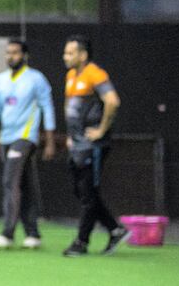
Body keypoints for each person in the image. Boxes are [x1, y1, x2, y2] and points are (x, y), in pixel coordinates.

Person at [0, 38, 56, 250]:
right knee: (24, 184)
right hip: (6, 137)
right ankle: (33, 234)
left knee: (10, 181)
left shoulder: (36, 79)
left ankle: (7, 233)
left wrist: (49, 141)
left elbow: (47, 107)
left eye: (15, 53)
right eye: (8, 53)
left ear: (24, 56)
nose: (10, 56)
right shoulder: (0, 81)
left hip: (25, 137)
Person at [61, 34, 130, 257]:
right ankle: (115, 229)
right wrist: (70, 135)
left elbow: (112, 101)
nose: (66, 57)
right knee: (81, 192)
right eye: (65, 52)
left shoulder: (95, 74)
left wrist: (100, 130)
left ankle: (81, 242)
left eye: (70, 53)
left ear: (83, 55)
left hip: (94, 145)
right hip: (77, 144)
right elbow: (69, 105)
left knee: (88, 194)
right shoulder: (71, 75)